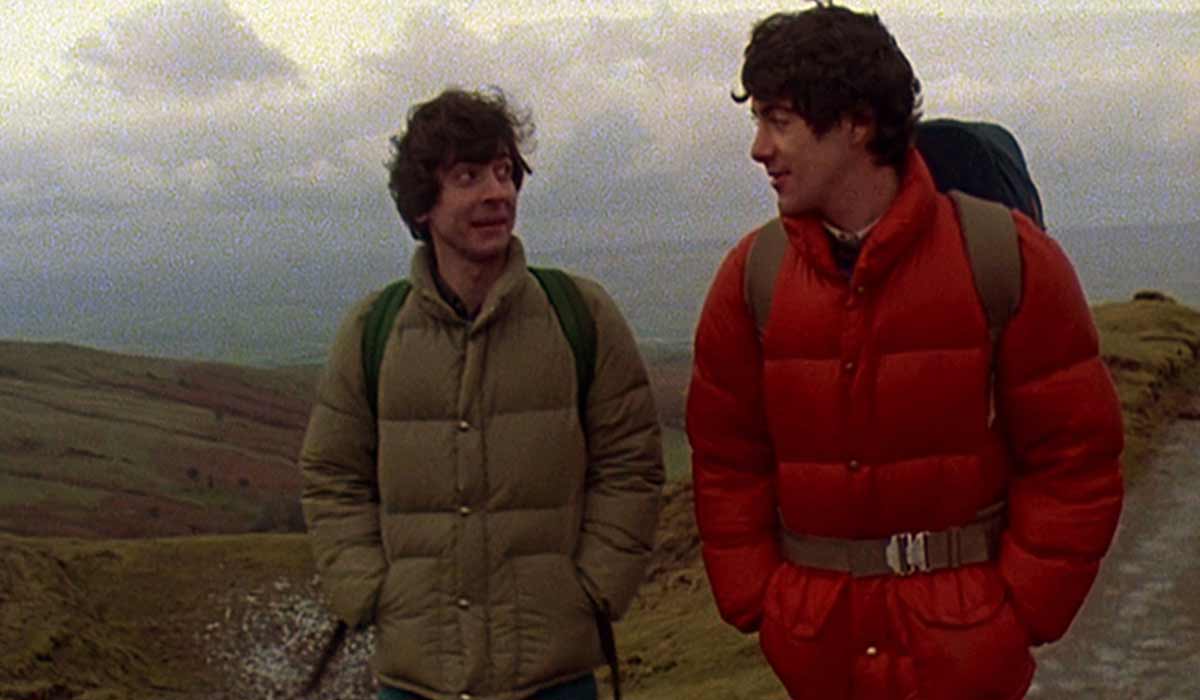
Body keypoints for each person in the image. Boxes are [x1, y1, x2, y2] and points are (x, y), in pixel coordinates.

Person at [686, 5, 1124, 699]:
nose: (759, 149)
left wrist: (1020, 611)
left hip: (968, 654)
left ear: (857, 122)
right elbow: (726, 460)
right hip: (817, 653)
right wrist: (763, 603)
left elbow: (1077, 456)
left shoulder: (1005, 257)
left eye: (779, 120)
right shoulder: (751, 277)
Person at [300, 87, 664, 700]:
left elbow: (632, 462)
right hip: (415, 680)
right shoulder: (372, 330)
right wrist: (368, 590)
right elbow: (332, 475)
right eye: (468, 177)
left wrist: (596, 588)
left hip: (554, 677)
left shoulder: (581, 315)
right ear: (423, 204)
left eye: (503, 172)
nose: (497, 192)